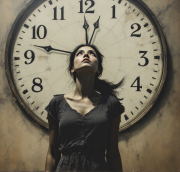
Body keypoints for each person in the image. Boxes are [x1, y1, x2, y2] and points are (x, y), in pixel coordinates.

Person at [45, 44, 125, 172]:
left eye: (92, 53)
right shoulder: (56, 103)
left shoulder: (111, 103)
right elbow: (53, 154)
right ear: (72, 68)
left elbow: (113, 154)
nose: (86, 55)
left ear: (98, 69)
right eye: (80, 53)